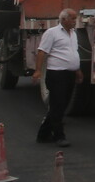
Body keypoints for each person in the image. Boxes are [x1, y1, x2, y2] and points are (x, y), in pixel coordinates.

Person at [34, 9, 83, 147]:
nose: (75, 21)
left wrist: (78, 71)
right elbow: (42, 52)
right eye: (72, 18)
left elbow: (73, 53)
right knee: (58, 105)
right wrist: (38, 70)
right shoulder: (52, 33)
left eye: (75, 18)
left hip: (70, 73)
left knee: (61, 105)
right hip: (56, 74)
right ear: (64, 20)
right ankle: (59, 136)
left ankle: (43, 134)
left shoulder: (73, 34)